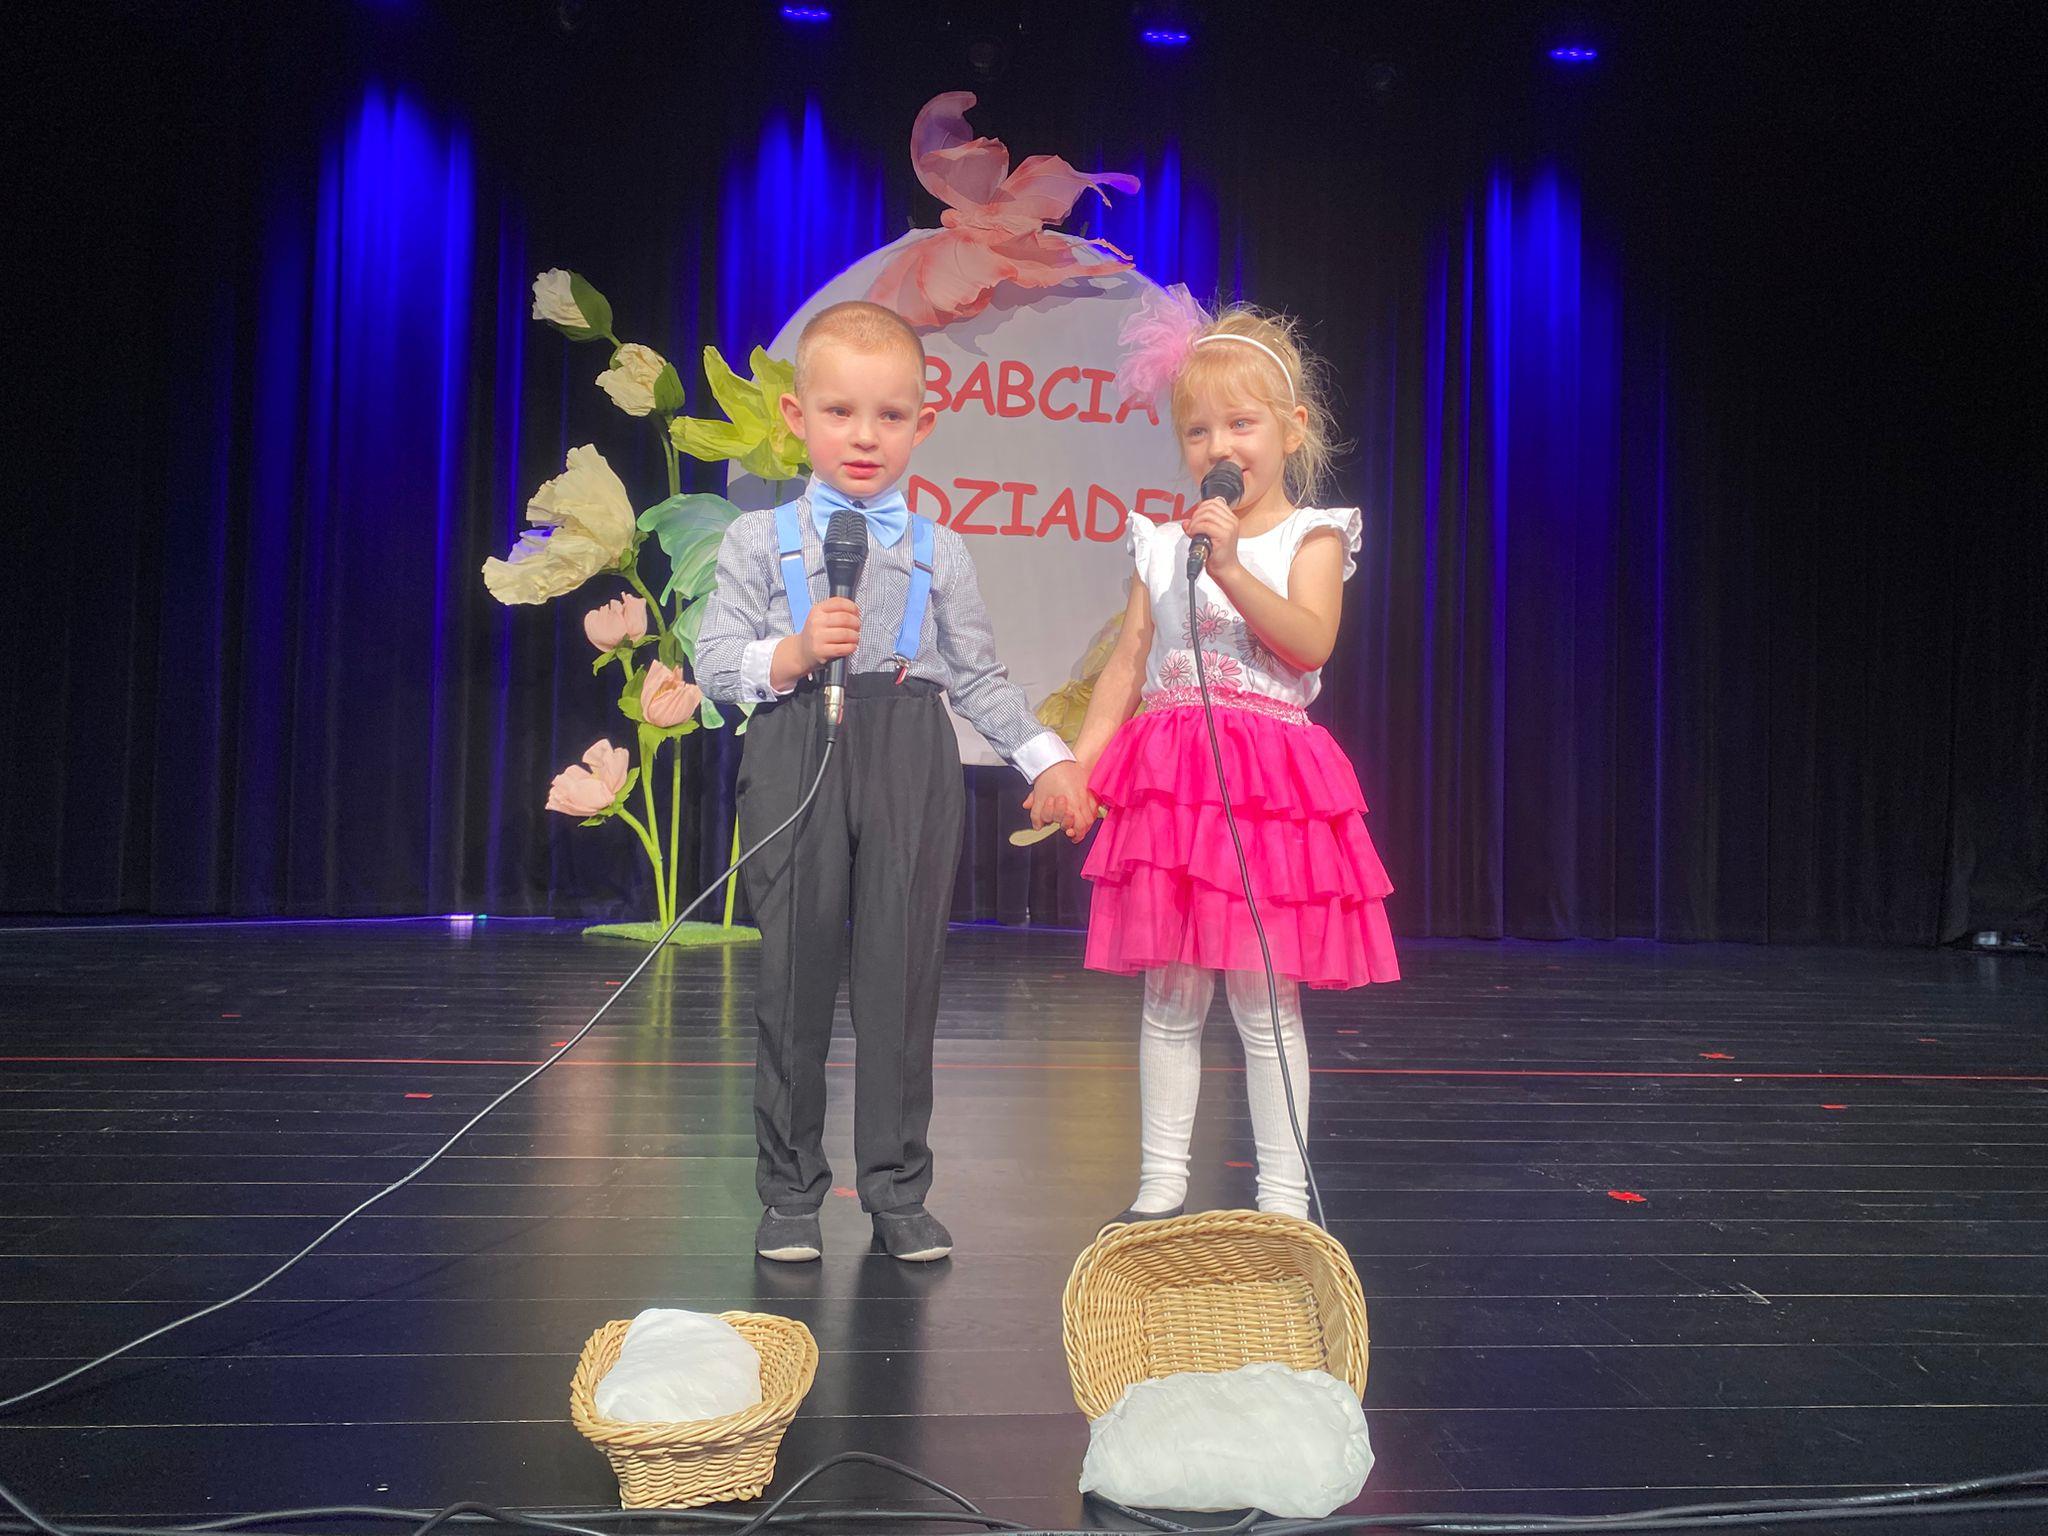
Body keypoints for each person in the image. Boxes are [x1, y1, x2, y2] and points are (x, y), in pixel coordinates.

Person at [696, 300, 1091, 1263]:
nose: (865, 437)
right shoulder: (758, 541)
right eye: (840, 412)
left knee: (901, 976)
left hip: (909, 744)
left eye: (890, 416)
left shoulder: (937, 547)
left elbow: (980, 675)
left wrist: (1048, 756)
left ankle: (897, 1187)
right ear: (797, 417)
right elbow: (714, 663)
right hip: (796, 739)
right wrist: (792, 652)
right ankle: (790, 1193)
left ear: (923, 423)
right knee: (793, 978)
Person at [1041, 290, 1401, 1223]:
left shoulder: (1311, 535)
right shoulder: (1165, 545)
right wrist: (1078, 766)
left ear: (1292, 429)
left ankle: (1282, 1195)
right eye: (1197, 431)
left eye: (1241, 425)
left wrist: (1234, 566)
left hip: (1267, 788)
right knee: (1170, 992)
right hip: (1175, 787)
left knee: (1265, 997)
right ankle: (1161, 1182)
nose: (1218, 447)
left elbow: (1310, 643)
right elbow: (1129, 662)